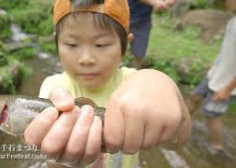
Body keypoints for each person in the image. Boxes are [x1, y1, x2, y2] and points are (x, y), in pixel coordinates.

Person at [24, 0, 191, 167]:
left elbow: (176, 142)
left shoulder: (132, 82)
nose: (86, 59)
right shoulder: (53, 87)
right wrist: (60, 160)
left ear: (125, 46)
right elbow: (50, 159)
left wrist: (160, 80)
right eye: (72, 45)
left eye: (101, 44)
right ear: (56, 43)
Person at [188, 16, 236, 154]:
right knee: (195, 96)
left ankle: (217, 149)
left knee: (212, 115)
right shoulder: (233, 19)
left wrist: (227, 89)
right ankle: (179, 123)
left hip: (227, 84)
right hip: (215, 74)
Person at [129, 0, 176, 69]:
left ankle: (134, 76)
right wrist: (154, 2)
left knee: (139, 54)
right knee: (116, 50)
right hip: (122, 15)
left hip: (143, 20)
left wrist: (169, 2)